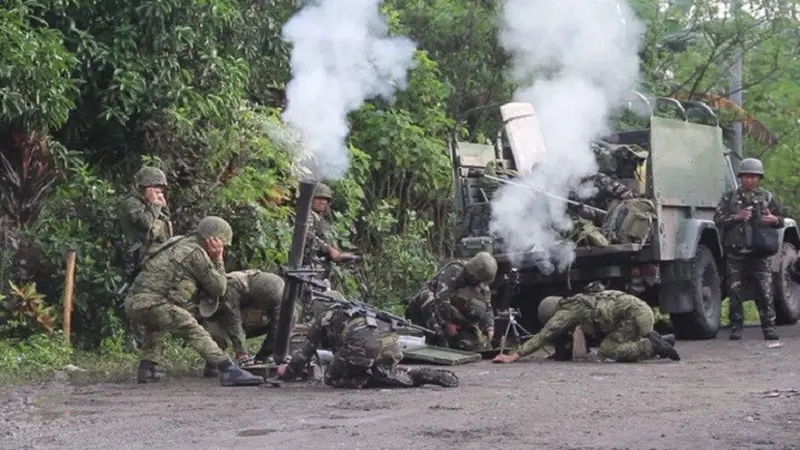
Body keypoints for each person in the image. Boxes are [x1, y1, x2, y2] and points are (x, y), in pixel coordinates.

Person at [123, 216, 264, 386]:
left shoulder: (177, 242)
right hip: (153, 303)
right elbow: (219, 288)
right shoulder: (195, 253)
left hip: (133, 302)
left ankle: (147, 369)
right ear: (213, 239)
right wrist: (218, 258)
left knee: (156, 325)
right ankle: (227, 369)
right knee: (191, 328)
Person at [276, 302, 459, 389]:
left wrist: (288, 372)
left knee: (331, 378)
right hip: (390, 341)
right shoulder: (357, 309)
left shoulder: (326, 318)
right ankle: (418, 374)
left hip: (363, 345)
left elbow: (305, 353)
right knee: (387, 372)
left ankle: (364, 379)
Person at [492, 282, 680, 364]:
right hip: (641, 313)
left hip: (634, 318)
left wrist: (515, 355)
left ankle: (651, 346)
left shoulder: (566, 312)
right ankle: (664, 341)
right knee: (614, 338)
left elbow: (545, 335)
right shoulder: (579, 301)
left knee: (607, 351)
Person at [714, 157, 784, 341]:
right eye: (746, 176)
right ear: (740, 178)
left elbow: (781, 219)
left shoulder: (767, 197)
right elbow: (718, 220)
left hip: (760, 254)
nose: (749, 180)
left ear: (759, 178)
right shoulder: (729, 197)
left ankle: (769, 327)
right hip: (736, 253)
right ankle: (736, 327)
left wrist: (774, 220)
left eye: (753, 177)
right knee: (734, 291)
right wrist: (736, 217)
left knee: (765, 291)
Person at [199, 270, 286, 377]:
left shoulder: (279, 295)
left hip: (245, 315)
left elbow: (278, 329)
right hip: (220, 319)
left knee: (286, 322)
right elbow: (233, 322)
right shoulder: (232, 285)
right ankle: (213, 364)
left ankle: (262, 357)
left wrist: (263, 355)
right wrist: (242, 354)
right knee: (218, 334)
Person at [405, 252, 497, 351]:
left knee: (471, 346)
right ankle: (439, 339)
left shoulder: (482, 286)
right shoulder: (454, 270)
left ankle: (452, 342)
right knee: (428, 296)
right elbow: (441, 299)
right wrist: (447, 324)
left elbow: (487, 308)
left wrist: (489, 327)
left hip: (456, 319)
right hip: (428, 312)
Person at [119, 167, 173, 282]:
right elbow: (145, 223)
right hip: (135, 257)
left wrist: (163, 206)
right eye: (155, 190)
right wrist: (156, 205)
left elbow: (166, 223)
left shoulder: (150, 205)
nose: (159, 194)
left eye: (160, 191)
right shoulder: (131, 204)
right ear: (144, 189)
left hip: (153, 257)